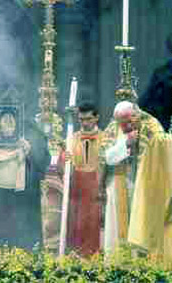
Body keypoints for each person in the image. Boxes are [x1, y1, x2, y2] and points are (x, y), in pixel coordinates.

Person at [102, 101, 164, 254]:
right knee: (117, 230)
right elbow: (107, 157)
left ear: (136, 115)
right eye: (121, 123)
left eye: (128, 121)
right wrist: (126, 144)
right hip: (118, 183)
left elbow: (160, 151)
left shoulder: (151, 125)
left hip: (144, 184)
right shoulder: (113, 128)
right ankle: (117, 264)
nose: (125, 127)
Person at [58, 102, 106, 256]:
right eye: (81, 119)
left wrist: (102, 187)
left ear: (96, 117)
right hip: (76, 189)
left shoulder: (105, 138)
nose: (84, 123)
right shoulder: (71, 139)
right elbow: (62, 170)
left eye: (88, 119)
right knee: (75, 227)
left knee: (93, 227)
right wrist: (63, 159)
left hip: (96, 188)